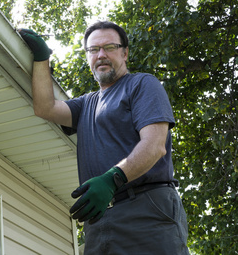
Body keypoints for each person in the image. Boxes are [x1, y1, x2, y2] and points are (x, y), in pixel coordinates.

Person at [19, 22, 190, 254]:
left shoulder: (142, 84)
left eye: (109, 47)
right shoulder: (86, 104)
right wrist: (41, 58)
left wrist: (112, 179)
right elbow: (45, 108)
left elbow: (155, 145)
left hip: (146, 210)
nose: (101, 55)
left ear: (125, 53)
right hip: (99, 219)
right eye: (93, 50)